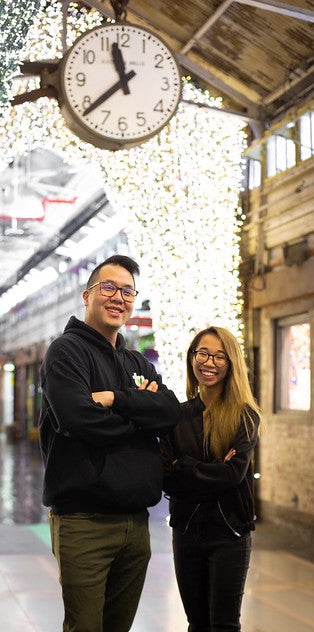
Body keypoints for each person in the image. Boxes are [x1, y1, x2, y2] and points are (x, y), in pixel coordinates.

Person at [39, 254, 181, 631]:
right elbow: (79, 419)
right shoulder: (65, 353)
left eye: (128, 291)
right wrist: (140, 420)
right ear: (87, 296)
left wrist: (117, 399)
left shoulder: (137, 363)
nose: (118, 297)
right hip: (85, 522)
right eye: (109, 287)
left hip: (136, 525)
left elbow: (168, 412)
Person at [161, 326, 261, 632]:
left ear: (231, 364)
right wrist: (212, 469)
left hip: (230, 532)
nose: (210, 362)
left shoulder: (245, 415)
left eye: (220, 356)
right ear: (192, 358)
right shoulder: (176, 416)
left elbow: (234, 474)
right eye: (203, 353)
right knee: (197, 624)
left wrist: (185, 466)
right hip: (187, 531)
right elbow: (166, 477)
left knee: (225, 625)